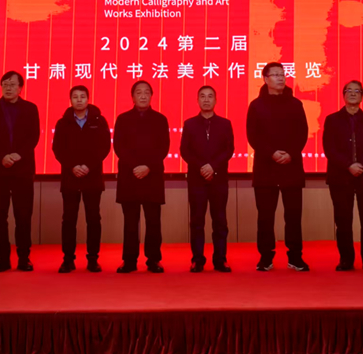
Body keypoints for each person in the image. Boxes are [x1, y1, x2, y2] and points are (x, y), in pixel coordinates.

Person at [246, 62, 310, 272]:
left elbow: (302, 132)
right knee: (265, 217)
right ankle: (266, 257)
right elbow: (253, 135)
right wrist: (271, 153)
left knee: (293, 216)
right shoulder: (256, 105)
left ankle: (295, 257)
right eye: (275, 74)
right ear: (265, 79)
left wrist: (290, 153)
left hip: (291, 166)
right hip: (265, 168)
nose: (280, 78)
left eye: (282, 74)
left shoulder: (296, 104)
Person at [323, 80, 363, 272]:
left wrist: (362, 165)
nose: (352, 93)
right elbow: (329, 148)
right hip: (340, 177)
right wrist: (348, 165)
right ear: (343, 95)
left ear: (362, 96)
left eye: (357, 91)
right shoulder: (332, 120)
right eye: (349, 90)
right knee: (343, 221)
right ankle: (346, 260)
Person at [0, 70, 40, 273]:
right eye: (5, 84)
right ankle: (3, 259)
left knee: (23, 216)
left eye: (12, 84)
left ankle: (24, 258)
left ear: (20, 88)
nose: (8, 88)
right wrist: (2, 157)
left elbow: (34, 136)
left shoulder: (31, 108)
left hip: (22, 170)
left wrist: (17, 155)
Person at [51, 85, 111, 273]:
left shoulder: (99, 121)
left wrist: (89, 166)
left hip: (92, 177)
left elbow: (104, 147)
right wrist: (72, 166)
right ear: (70, 100)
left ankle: (93, 259)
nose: (79, 100)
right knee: (69, 220)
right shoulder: (63, 123)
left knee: (93, 219)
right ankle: (68, 259)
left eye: (82, 96)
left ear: (88, 99)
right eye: (75, 97)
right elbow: (57, 148)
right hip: (70, 177)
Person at [113, 80, 170, 273]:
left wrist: (148, 167)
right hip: (129, 176)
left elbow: (164, 147)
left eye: (147, 92)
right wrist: (135, 166)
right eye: (139, 92)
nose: (143, 96)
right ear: (133, 96)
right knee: (130, 222)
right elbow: (119, 146)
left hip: (152, 176)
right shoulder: (123, 119)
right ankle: (129, 260)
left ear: (151, 96)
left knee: (153, 221)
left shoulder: (160, 119)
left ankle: (153, 259)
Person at [180, 85, 235, 273]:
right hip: (197, 179)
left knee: (220, 220)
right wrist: (202, 167)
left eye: (210, 96)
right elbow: (185, 150)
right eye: (202, 96)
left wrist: (213, 166)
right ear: (197, 100)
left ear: (215, 100)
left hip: (219, 179)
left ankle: (220, 259)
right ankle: (197, 260)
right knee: (197, 221)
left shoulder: (225, 124)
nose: (206, 99)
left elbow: (229, 149)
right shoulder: (189, 124)